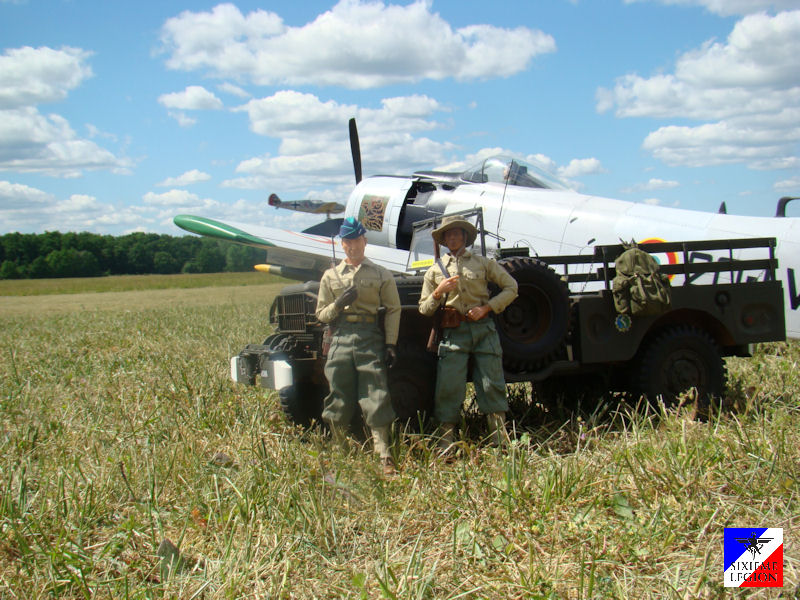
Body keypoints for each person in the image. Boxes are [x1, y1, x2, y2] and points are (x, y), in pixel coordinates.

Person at [418, 215, 518, 450]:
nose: (453, 237)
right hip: (454, 333)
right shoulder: (434, 271)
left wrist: (487, 308)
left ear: (465, 236)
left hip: (483, 330)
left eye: (457, 233)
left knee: (491, 383)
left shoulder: (483, 263)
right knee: (448, 387)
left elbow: (512, 287)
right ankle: (446, 444)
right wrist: (438, 292)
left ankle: (500, 442)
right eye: (448, 234)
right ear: (443, 239)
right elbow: (424, 309)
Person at [316, 217, 401, 475]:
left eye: (356, 240)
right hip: (340, 335)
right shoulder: (330, 276)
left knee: (375, 390)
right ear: (342, 245)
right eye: (347, 242)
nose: (352, 246)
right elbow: (321, 314)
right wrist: (338, 304)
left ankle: (383, 451)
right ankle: (338, 448)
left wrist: (390, 343)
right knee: (338, 392)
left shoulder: (379, 273)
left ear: (364, 241)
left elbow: (393, 309)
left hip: (368, 335)